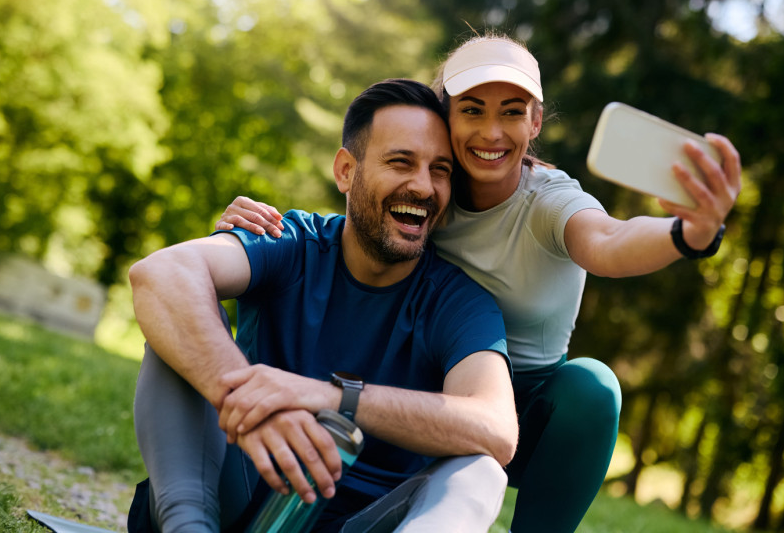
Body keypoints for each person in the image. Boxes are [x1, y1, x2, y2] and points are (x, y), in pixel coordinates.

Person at [215, 34, 742, 532]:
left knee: (592, 388)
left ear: (535, 122)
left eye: (512, 113)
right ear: (445, 114)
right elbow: (362, 221)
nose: (491, 132)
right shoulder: (428, 184)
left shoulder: (548, 201)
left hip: (525, 404)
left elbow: (608, 241)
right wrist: (250, 229)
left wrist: (686, 234)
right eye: (472, 110)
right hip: (426, 380)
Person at [128, 78, 518, 533]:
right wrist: (245, 400)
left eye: (440, 170)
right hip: (233, 504)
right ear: (346, 171)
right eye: (401, 162)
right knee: (184, 323)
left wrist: (330, 397)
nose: (423, 186)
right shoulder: (287, 239)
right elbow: (159, 275)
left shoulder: (460, 302)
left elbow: (496, 428)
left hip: (362, 523)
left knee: (482, 470)